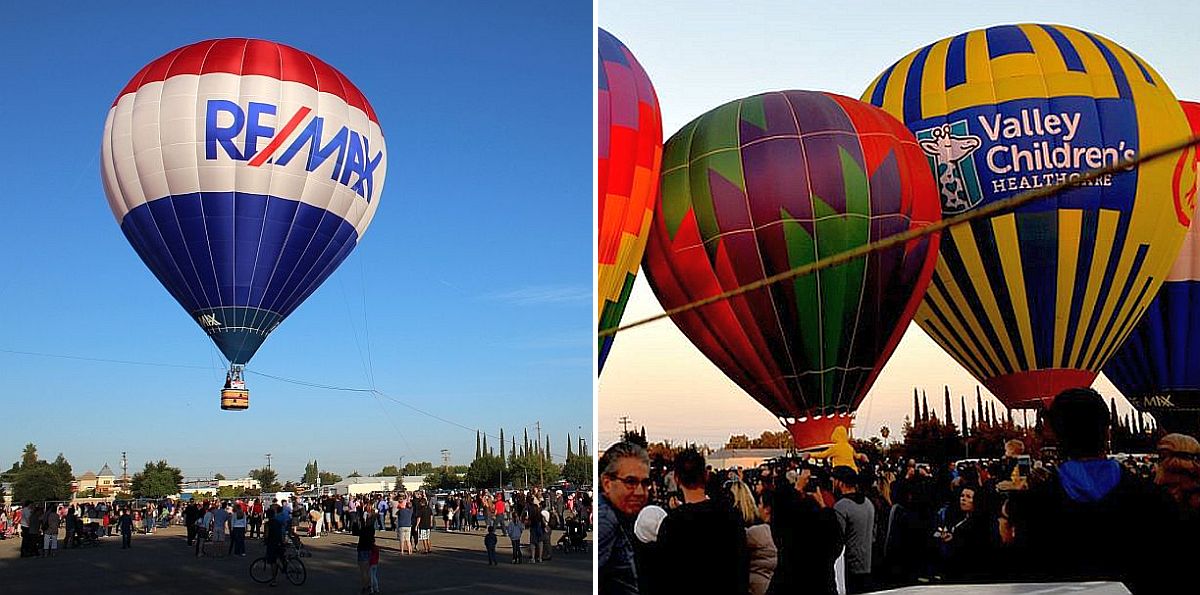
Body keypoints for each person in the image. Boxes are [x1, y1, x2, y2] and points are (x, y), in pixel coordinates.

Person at [1007, 387, 1161, 593]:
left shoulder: (1033, 504)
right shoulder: (1151, 498)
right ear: (1107, 431)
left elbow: (1024, 575)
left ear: (1054, 435)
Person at [655, 448, 749, 594]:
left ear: (677, 479)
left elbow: (664, 576)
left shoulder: (671, 524)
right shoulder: (731, 516)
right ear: (706, 475)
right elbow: (742, 566)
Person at [769, 467, 843, 595]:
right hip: (822, 584)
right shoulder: (826, 523)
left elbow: (779, 520)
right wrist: (823, 505)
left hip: (792, 583)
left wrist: (797, 489)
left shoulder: (791, 530)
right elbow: (837, 541)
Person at [599, 441, 650, 594]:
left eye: (645, 483)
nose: (640, 491)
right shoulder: (606, 521)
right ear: (607, 483)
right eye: (630, 482)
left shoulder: (621, 517)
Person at [831, 466, 874, 594]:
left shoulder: (841, 506)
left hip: (849, 566)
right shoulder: (868, 503)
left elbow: (837, 537)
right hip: (867, 562)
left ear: (840, 482)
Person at [264, 504, 286, 587]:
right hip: (280, 541)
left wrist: (265, 540)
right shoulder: (278, 522)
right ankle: (285, 567)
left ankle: (274, 580)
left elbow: (266, 535)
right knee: (281, 556)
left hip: (272, 543)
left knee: (273, 561)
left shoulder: (268, 524)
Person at [358, 509, 377, 595]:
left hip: (362, 548)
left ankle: (366, 587)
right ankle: (369, 586)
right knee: (368, 570)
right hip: (369, 548)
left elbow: (356, 531)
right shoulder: (371, 528)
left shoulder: (364, 528)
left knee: (363, 571)